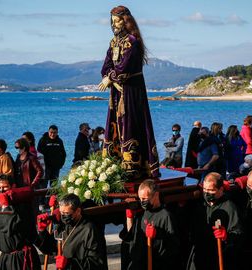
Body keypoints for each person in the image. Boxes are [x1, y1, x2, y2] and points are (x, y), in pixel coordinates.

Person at [98, 5, 159, 179]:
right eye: (112, 21)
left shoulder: (133, 41)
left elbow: (126, 66)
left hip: (132, 91)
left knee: (131, 123)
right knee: (116, 124)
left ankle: (133, 166)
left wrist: (111, 78)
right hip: (117, 92)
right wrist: (109, 77)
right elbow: (106, 66)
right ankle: (115, 162)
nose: (114, 24)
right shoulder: (113, 42)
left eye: (117, 21)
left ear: (126, 21)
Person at [186, 173, 244, 270]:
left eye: (211, 190)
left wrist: (226, 237)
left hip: (219, 256)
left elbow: (238, 233)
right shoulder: (199, 204)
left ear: (221, 189)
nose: (207, 193)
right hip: (200, 255)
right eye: (205, 189)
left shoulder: (230, 207)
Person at [35, 194, 108, 270]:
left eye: (66, 213)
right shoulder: (62, 226)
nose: (63, 216)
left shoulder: (89, 229)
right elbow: (48, 249)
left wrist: (69, 263)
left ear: (78, 211)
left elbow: (97, 263)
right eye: (61, 213)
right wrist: (42, 231)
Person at [120, 179, 180, 270]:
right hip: (139, 263)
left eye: (144, 199)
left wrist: (157, 234)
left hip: (157, 264)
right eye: (140, 198)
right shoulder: (141, 213)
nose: (142, 202)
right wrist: (129, 218)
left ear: (156, 195)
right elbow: (132, 237)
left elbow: (173, 246)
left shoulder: (166, 216)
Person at [0, 175, 41, 270]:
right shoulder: (1, 205)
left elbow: (11, 226)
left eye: (5, 187)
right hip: (5, 257)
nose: (2, 191)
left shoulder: (23, 205)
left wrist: (6, 206)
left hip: (21, 258)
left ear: (13, 186)